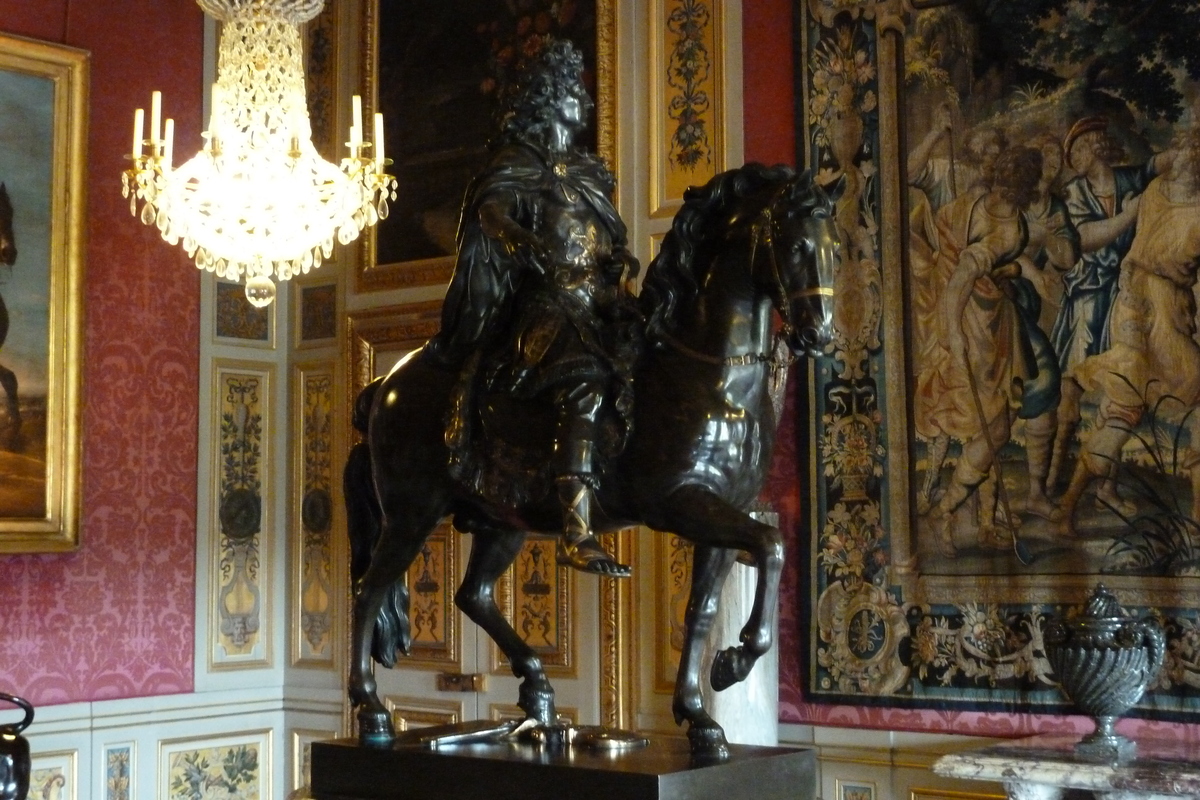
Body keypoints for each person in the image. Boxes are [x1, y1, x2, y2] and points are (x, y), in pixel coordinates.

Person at [425, 39, 640, 576]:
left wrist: (619, 263)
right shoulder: (517, 162)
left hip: (602, 303)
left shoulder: (592, 173)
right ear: (547, 100)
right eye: (571, 93)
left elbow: (607, 236)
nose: (582, 103)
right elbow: (491, 209)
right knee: (585, 380)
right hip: (547, 303)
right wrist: (517, 238)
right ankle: (576, 529)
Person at [1055, 128, 1200, 530]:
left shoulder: (1153, 189)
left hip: (1156, 310)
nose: (1183, 160)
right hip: (1139, 309)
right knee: (1128, 406)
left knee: (1120, 411)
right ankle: (1195, 517)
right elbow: (1128, 256)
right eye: (1185, 152)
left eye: (1191, 153)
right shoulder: (1154, 194)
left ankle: (1068, 505)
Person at [914, 146, 1043, 556]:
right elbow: (958, 279)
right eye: (1003, 178)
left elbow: (968, 272)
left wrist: (1006, 271)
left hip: (988, 322)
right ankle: (948, 513)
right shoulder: (979, 208)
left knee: (996, 423)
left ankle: (977, 519)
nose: (1002, 188)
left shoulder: (1007, 226)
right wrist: (953, 333)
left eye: (1010, 182)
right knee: (990, 427)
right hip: (966, 322)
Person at [1047, 117, 1172, 490]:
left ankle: (1107, 489)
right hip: (1087, 298)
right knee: (1071, 391)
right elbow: (1084, 238)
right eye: (1071, 153)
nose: (1073, 158)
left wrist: (1185, 150)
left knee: (1124, 390)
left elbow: (1157, 165)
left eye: (1079, 150)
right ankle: (1051, 480)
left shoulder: (1127, 179)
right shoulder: (1072, 193)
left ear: (1096, 146)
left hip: (1123, 298)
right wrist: (1129, 215)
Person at [1010, 133, 1080, 518]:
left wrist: (1056, 240)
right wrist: (1035, 270)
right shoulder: (1011, 200)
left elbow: (1068, 256)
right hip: (999, 299)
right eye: (1044, 156)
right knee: (1038, 377)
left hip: (1027, 303)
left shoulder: (1054, 206)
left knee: (1040, 386)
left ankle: (1035, 491)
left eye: (1056, 158)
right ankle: (991, 503)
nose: (1051, 164)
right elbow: (997, 246)